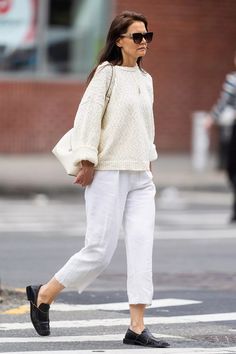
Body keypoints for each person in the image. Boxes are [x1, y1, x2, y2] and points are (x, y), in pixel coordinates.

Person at [26, 11, 170, 348]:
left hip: (140, 175)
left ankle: (136, 327)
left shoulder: (145, 78)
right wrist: (87, 161)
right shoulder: (106, 75)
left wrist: (149, 163)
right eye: (137, 36)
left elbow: (146, 127)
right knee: (99, 251)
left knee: (140, 248)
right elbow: (88, 118)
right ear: (119, 40)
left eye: (148, 35)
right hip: (107, 171)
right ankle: (44, 294)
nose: (144, 41)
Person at [205, 51, 236, 222]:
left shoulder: (233, 79)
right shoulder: (232, 79)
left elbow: (224, 101)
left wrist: (212, 118)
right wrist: (213, 117)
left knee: (232, 169)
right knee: (232, 169)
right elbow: (224, 101)